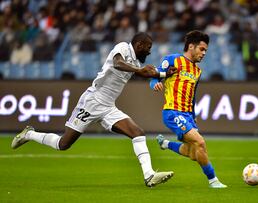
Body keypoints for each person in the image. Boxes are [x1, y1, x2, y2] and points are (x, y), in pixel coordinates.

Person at [11, 32, 176, 187]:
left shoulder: (137, 62)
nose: (149, 51)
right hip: (91, 102)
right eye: (148, 47)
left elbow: (148, 73)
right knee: (63, 144)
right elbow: (117, 63)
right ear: (139, 44)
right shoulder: (123, 48)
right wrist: (139, 70)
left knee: (137, 133)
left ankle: (149, 175)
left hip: (108, 107)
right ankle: (29, 134)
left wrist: (165, 74)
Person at [149, 30, 227, 188]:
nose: (204, 53)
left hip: (188, 115)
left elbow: (193, 96)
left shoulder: (197, 71)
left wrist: (193, 114)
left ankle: (165, 144)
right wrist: (154, 84)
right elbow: (155, 76)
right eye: (202, 49)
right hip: (172, 111)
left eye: (206, 50)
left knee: (192, 153)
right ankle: (213, 180)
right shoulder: (173, 60)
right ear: (191, 46)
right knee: (200, 143)